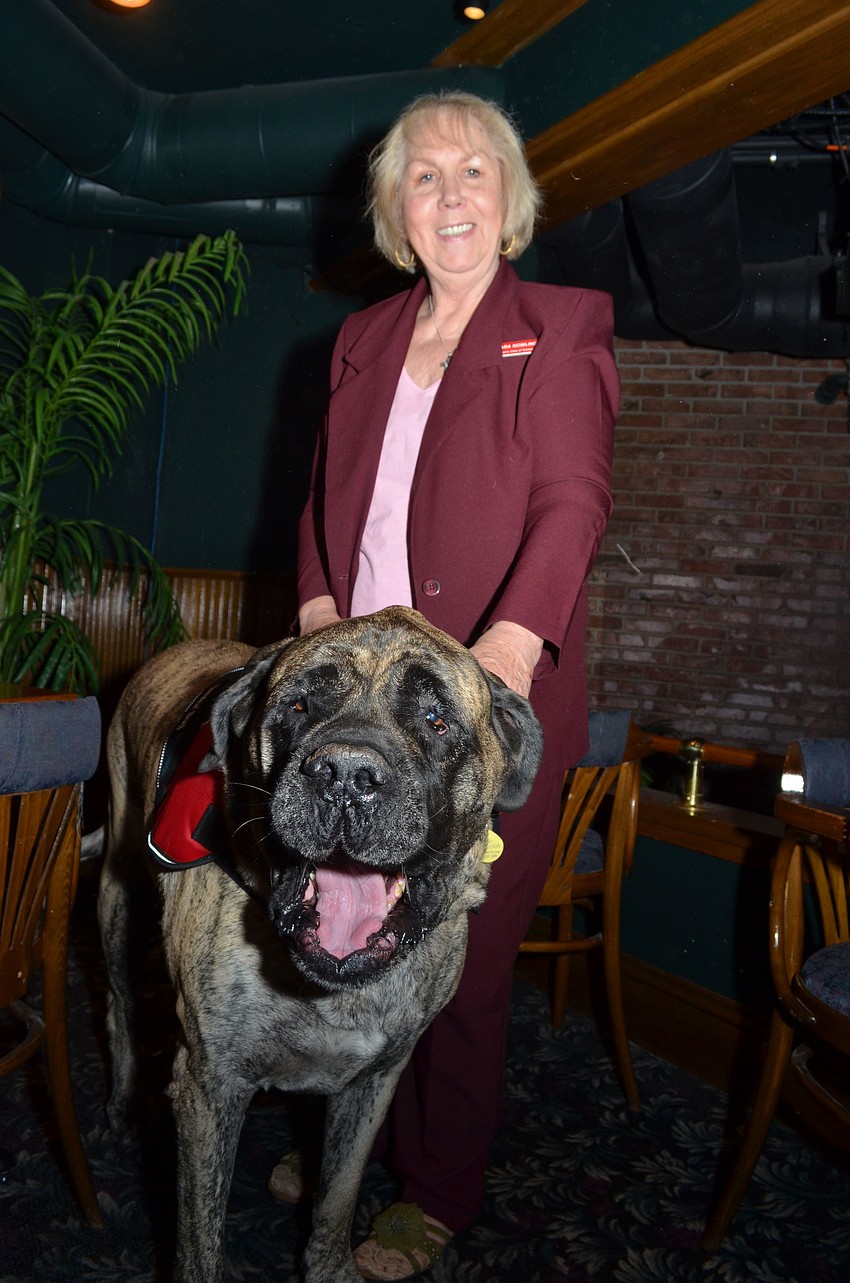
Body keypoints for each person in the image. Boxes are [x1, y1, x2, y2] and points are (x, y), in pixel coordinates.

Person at [279, 90, 618, 1280]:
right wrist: (318, 615)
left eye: (474, 172)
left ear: (509, 200)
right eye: (424, 178)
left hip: (479, 714)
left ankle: (436, 1185)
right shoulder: (359, 341)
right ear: (396, 211)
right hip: (359, 702)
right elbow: (324, 508)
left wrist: (512, 647)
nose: (451, 193)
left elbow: (572, 499)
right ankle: (346, 1140)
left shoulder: (561, 327)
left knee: (455, 965)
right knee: (341, 925)